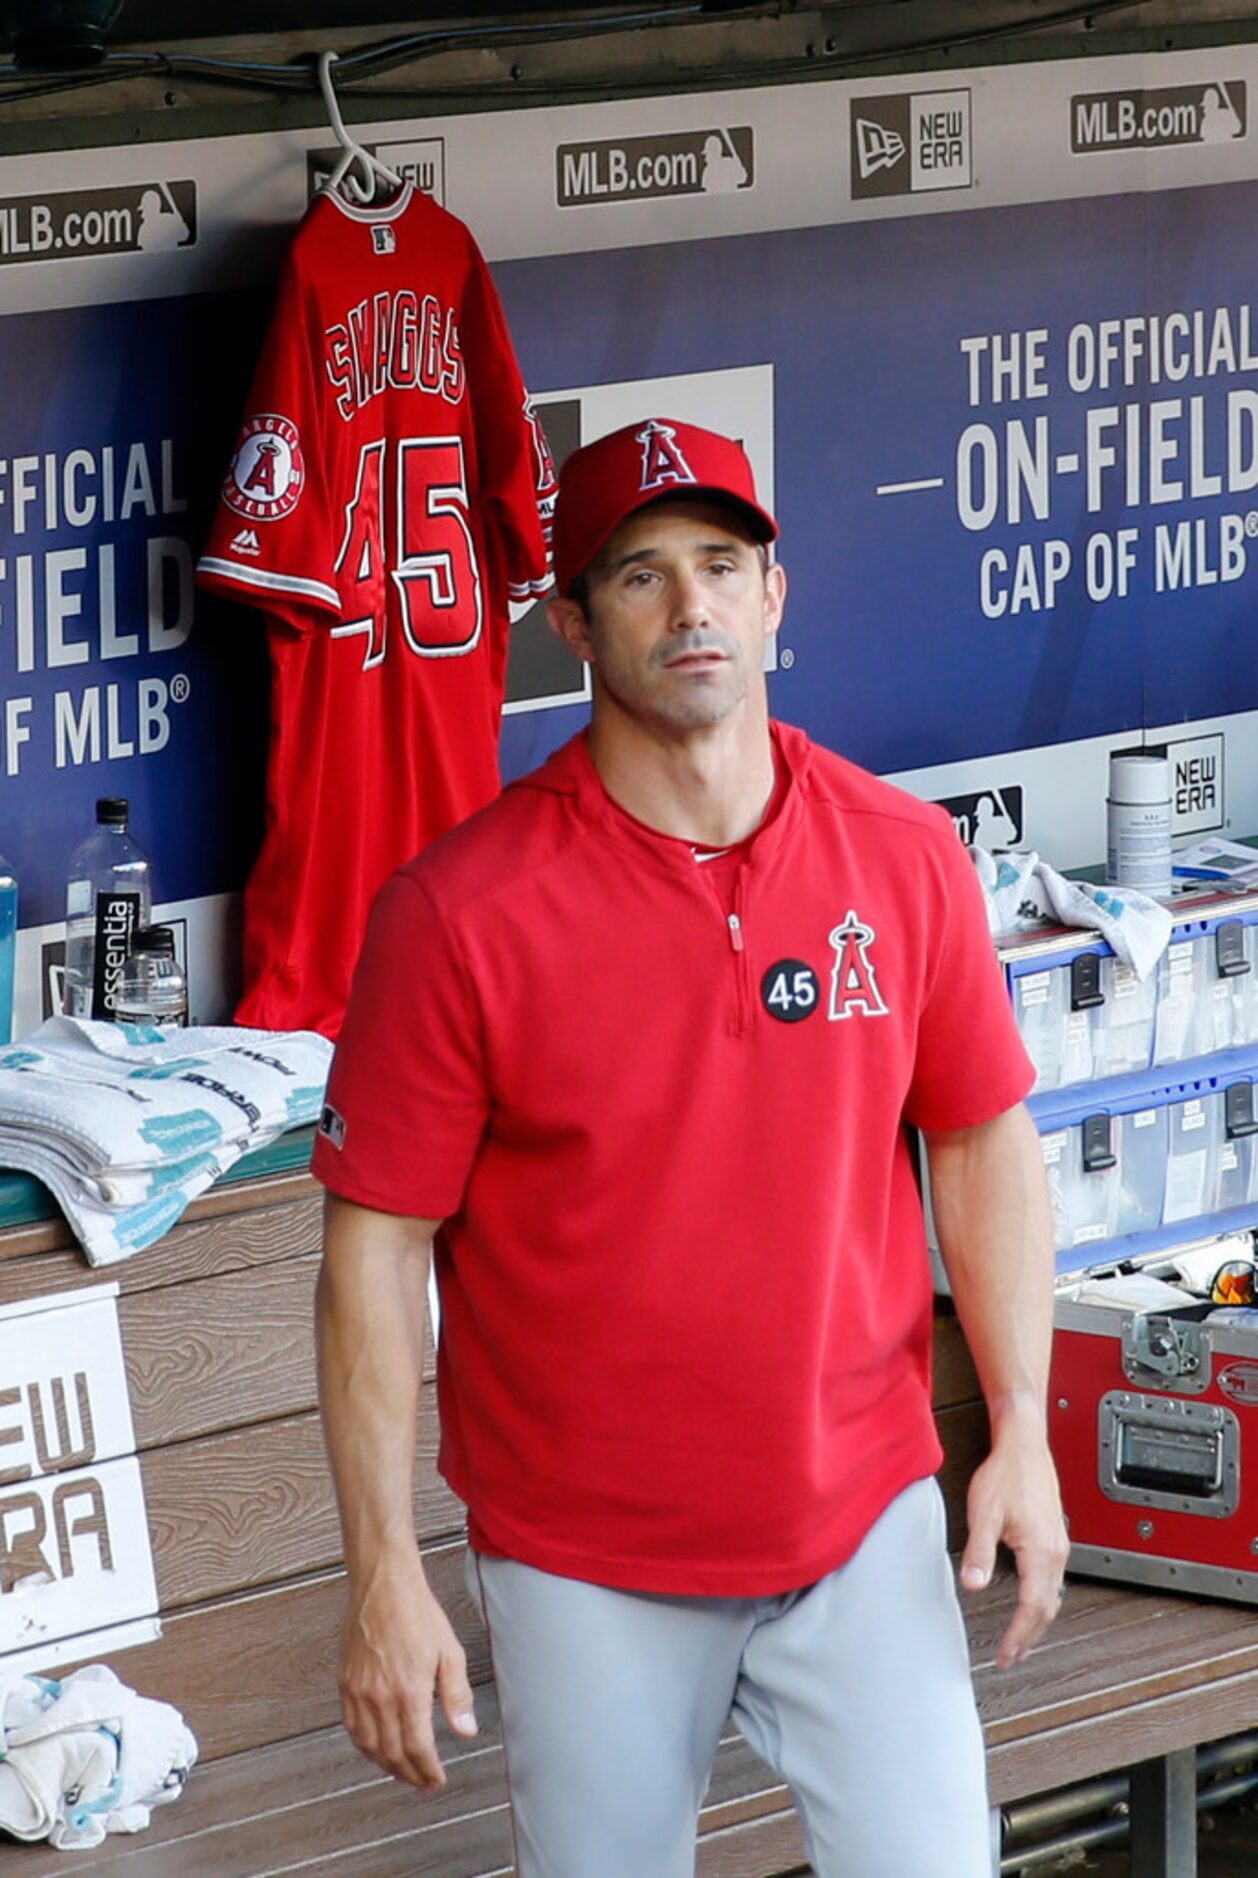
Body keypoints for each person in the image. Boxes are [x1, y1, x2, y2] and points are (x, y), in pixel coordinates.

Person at [312, 416, 1069, 1877]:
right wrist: (382, 1568)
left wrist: (1022, 1429)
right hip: (586, 1552)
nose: (690, 607)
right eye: (640, 575)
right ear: (570, 622)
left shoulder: (899, 854)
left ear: (775, 593)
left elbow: (980, 1138)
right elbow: (371, 1252)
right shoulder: (458, 911)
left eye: (721, 565)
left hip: (857, 1512)